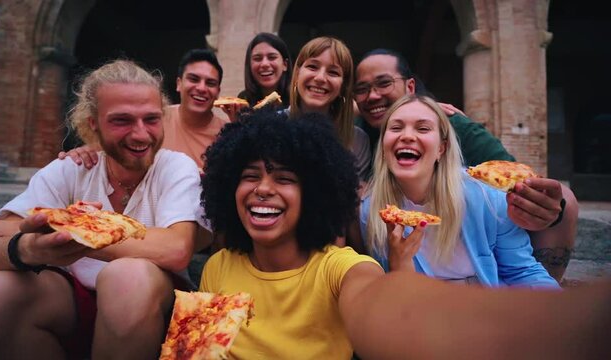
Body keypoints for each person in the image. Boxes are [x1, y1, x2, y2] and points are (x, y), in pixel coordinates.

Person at [198, 109, 611, 359]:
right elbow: (199, 350)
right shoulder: (218, 268)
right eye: (249, 176)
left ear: (315, 194)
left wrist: (575, 328)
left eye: (284, 178)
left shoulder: (341, 268)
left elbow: (386, 309)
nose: (264, 189)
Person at [0, 60, 204, 359]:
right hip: (69, 302)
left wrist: (69, 228)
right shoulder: (71, 169)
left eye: (152, 119)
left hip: (151, 307)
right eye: (122, 121)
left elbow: (175, 248)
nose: (141, 134)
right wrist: (29, 248)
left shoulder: (175, 167)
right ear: (93, 123)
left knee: (126, 277)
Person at [354, 48, 577, 281]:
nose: (371, 96)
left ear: (444, 146)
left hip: (489, 266)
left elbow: (514, 182)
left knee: (565, 201)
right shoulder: (370, 205)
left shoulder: (462, 138)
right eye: (361, 89)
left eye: (384, 83)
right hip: (418, 298)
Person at [360, 94, 558, 288]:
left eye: (422, 128)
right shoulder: (373, 211)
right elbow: (394, 299)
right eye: (396, 128)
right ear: (384, 146)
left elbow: (522, 272)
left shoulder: (488, 197)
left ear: (441, 149)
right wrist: (399, 266)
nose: (407, 136)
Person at [59, 49, 228, 171]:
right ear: (178, 83)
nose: (201, 88)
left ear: (218, 92)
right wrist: (83, 153)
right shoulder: (152, 117)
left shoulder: (228, 133)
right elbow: (109, 145)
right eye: (194, 79)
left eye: (210, 83)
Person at [288, 36, 371, 181]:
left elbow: (355, 199)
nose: (320, 78)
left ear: (343, 86)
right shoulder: (270, 126)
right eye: (312, 67)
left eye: (333, 72)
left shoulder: (357, 140)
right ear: (296, 74)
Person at [238, 32, 292, 107]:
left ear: (285, 65)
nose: (264, 64)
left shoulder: (298, 101)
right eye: (257, 58)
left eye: (272, 57)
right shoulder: (243, 100)